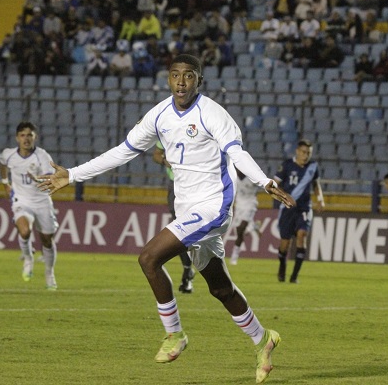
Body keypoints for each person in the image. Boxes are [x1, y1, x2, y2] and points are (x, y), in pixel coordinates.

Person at [35, 54, 295, 384]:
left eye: (189, 75)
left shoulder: (213, 113)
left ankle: (175, 335)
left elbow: (236, 152)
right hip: (189, 210)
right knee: (219, 287)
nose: (181, 81)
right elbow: (123, 151)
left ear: (199, 80)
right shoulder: (159, 116)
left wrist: (264, 181)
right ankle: (263, 339)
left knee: (148, 258)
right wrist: (72, 174)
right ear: (168, 80)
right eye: (175, 75)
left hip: (214, 205)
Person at [0, 122, 59, 290]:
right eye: (23, 135)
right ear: (17, 138)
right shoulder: (9, 155)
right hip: (21, 200)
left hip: (42, 202)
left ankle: (49, 272)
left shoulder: (42, 156)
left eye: (29, 135)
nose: (26, 139)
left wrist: (38, 179)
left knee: (47, 240)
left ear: (35, 137)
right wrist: (5, 182)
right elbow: (1, 162)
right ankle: (28, 258)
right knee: (24, 231)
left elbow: (50, 178)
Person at [274, 139, 325, 284]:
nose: (306, 155)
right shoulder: (286, 165)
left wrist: (320, 199)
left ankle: (294, 276)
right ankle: (282, 266)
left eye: (308, 153)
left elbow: (316, 185)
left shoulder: (313, 167)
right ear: (297, 151)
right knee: (285, 243)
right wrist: (285, 197)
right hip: (287, 209)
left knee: (302, 235)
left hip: (304, 207)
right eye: (303, 152)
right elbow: (274, 185)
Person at [152, 141, 195, 293]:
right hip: (174, 186)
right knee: (179, 228)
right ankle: (187, 269)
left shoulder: (195, 131)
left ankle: (189, 269)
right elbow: (156, 155)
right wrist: (165, 160)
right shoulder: (166, 131)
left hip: (194, 186)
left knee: (189, 231)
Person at [228, 168, 261, 266]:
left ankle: (234, 256)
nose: (238, 170)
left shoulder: (252, 178)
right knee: (239, 231)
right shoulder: (233, 178)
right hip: (239, 206)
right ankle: (253, 227)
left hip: (250, 205)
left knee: (242, 227)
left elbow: (263, 184)